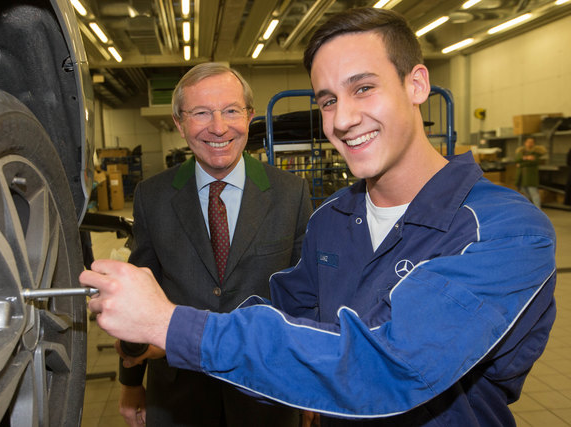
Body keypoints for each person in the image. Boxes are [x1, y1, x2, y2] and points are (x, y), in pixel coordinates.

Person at [82, 8, 556, 426]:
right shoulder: (333, 219)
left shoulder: (507, 232)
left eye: (363, 88)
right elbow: (280, 316)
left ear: (417, 84)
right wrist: (156, 334)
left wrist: (172, 325)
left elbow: (390, 368)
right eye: (327, 100)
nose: (342, 119)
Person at [114, 62, 311, 427]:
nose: (218, 127)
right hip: (178, 393)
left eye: (231, 111)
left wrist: (312, 384)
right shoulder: (152, 197)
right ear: (179, 122)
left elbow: (304, 299)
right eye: (201, 113)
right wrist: (129, 383)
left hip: (266, 390)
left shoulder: (290, 194)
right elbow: (138, 296)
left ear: (250, 116)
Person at [515, 136, 546, 208]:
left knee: (534, 194)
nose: (530, 144)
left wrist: (521, 164)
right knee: (525, 194)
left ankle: (538, 209)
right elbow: (517, 160)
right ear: (525, 143)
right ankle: (529, 208)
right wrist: (526, 158)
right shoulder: (521, 152)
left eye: (532, 142)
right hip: (522, 177)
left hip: (531, 177)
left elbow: (533, 162)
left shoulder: (536, 153)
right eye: (528, 142)